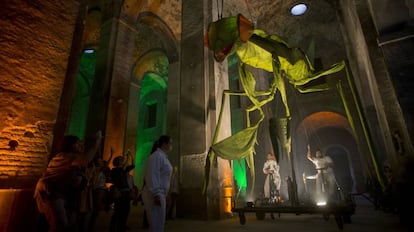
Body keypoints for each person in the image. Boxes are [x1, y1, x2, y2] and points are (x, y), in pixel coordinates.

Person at [33, 131, 103, 232]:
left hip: (61, 192)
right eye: (78, 143)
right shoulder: (64, 156)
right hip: (51, 191)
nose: (81, 145)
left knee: (69, 222)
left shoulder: (73, 159)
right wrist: (97, 141)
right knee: (59, 224)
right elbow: (86, 159)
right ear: (71, 145)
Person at [142, 135, 173, 232]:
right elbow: (152, 174)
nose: (171, 146)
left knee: (158, 224)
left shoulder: (163, 157)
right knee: (156, 225)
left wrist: (165, 194)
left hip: (160, 194)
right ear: (164, 144)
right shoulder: (156, 156)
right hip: (155, 195)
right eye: (170, 143)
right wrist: (156, 193)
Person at [109, 155, 132, 232]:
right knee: (118, 212)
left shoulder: (122, 170)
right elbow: (116, 179)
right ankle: (115, 228)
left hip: (126, 193)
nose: (121, 160)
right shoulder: (114, 170)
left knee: (125, 211)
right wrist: (127, 158)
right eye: (119, 159)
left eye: (121, 159)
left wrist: (130, 157)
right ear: (116, 162)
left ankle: (121, 227)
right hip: (120, 193)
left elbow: (132, 165)